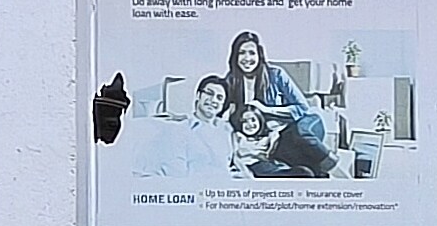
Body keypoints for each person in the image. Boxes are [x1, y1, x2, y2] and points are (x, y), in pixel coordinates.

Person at [222, 31, 334, 176]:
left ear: (259, 55)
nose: (247, 58)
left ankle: (337, 172)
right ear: (235, 56)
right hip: (267, 143)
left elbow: (302, 108)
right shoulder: (231, 81)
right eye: (242, 53)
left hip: (290, 132)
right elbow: (223, 116)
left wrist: (267, 109)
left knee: (301, 135)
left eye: (252, 53)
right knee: (305, 172)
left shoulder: (276, 75)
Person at [141, 76, 236, 177]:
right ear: (198, 95)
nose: (213, 100)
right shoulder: (180, 130)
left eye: (219, 98)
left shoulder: (227, 131)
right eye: (209, 93)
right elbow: (175, 172)